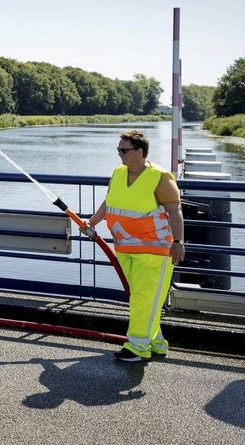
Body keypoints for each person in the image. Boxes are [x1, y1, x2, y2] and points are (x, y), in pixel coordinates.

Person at [83, 129, 185, 362]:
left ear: (140, 151)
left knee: (143, 298)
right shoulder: (119, 173)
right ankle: (156, 343)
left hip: (155, 251)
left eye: (124, 150)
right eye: (118, 150)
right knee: (141, 298)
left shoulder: (159, 176)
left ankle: (138, 347)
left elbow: (174, 211)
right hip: (125, 249)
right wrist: (92, 222)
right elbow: (110, 202)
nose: (120, 154)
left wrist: (178, 242)